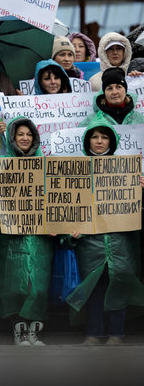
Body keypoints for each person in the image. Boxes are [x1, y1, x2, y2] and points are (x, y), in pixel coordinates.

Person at [65, 115, 144, 345]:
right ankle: (93, 332)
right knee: (94, 289)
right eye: (95, 137)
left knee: (117, 284)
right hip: (89, 242)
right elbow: (68, 205)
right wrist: (71, 231)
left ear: (112, 141)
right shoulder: (76, 171)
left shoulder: (126, 170)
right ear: (87, 141)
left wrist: (140, 189)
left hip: (120, 242)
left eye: (104, 137)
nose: (99, 141)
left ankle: (117, 333)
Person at [0, 117, 55, 346]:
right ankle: (19, 329)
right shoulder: (1, 162)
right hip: (10, 237)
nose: (24, 138)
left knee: (38, 286)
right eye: (20, 134)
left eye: (29, 135)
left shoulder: (46, 164)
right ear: (12, 138)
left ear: (35, 138)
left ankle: (33, 329)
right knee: (13, 285)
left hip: (40, 237)